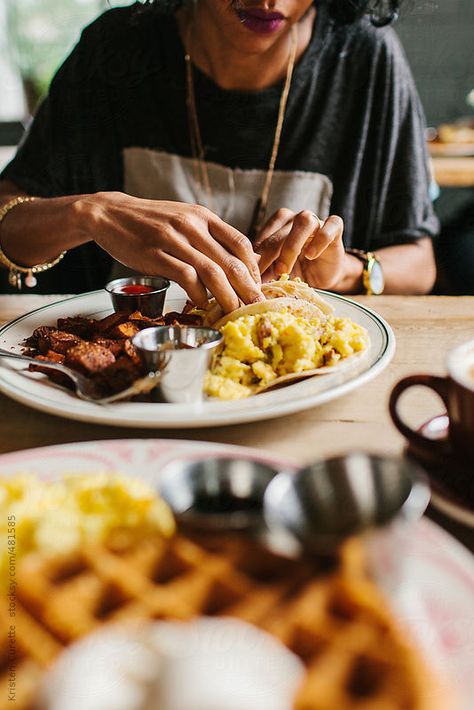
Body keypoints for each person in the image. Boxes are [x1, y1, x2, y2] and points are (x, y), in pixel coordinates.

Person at [0, 0, 438, 310]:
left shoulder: (365, 55)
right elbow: (7, 223)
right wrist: (90, 212)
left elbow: (419, 264)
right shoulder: (116, 48)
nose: (269, 1)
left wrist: (344, 271)